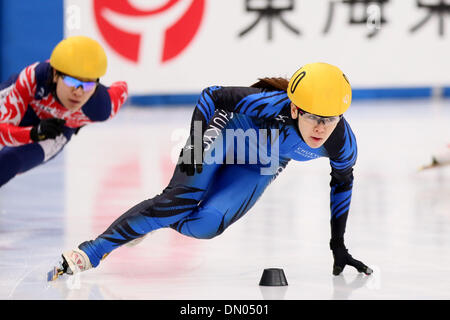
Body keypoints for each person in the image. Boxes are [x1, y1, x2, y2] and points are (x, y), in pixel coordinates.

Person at [49, 62, 372, 281]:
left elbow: (342, 184)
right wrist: (196, 147)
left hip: (261, 162)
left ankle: (151, 218)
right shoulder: (270, 104)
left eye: (331, 119)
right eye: (315, 117)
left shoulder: (342, 143)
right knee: (182, 199)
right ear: (294, 108)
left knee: (205, 226)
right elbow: (212, 95)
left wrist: (338, 245)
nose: (322, 128)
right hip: (227, 130)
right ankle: (93, 251)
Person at [0, 35, 128, 187]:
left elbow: (123, 87)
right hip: (25, 107)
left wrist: (39, 135)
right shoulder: (33, 79)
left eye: (87, 85)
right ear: (55, 75)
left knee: (9, 162)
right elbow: (2, 132)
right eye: (71, 81)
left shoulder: (101, 107)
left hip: (57, 130)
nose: (78, 92)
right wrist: (32, 133)